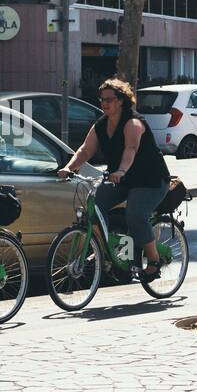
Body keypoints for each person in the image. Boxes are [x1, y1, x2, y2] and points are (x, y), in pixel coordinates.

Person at [57, 78, 171, 282]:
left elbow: (131, 149)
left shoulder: (133, 123)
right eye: (101, 99)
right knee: (96, 204)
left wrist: (121, 171)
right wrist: (68, 167)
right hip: (121, 179)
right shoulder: (101, 124)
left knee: (136, 214)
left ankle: (154, 260)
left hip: (150, 180)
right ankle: (112, 251)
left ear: (121, 100)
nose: (104, 103)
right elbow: (85, 150)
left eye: (109, 99)